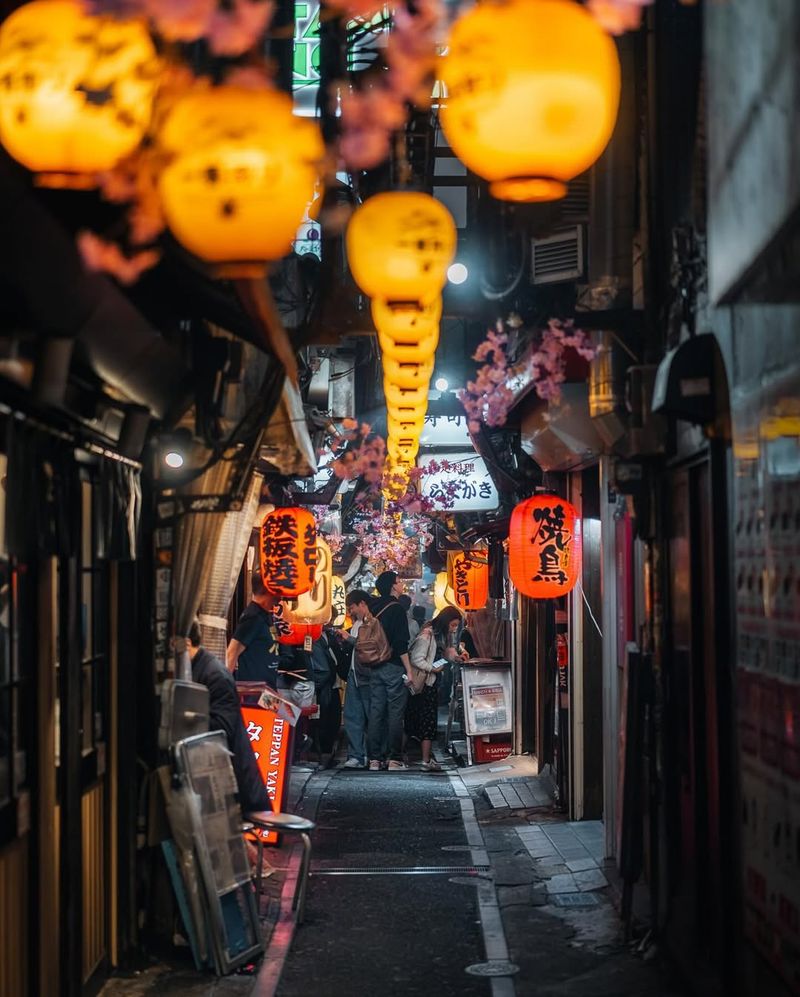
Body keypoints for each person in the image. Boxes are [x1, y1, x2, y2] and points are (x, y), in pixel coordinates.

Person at [187, 621, 270, 814]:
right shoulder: (198, 668)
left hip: (233, 782)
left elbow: (222, 730)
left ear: (186, 642)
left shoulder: (215, 674)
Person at [350, 573, 413, 771]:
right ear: (393, 586)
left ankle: (374, 760)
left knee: (376, 712)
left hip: (374, 666)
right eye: (399, 582)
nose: (402, 585)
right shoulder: (397, 609)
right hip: (393, 666)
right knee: (395, 713)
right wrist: (409, 671)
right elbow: (401, 644)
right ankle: (394, 759)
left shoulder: (373, 608)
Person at [405, 614, 447, 771]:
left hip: (428, 684)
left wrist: (454, 657)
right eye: (453, 625)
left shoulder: (438, 636)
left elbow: (445, 654)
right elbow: (416, 659)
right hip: (424, 685)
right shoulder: (427, 636)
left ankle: (404, 757)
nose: (454, 628)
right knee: (425, 723)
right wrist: (433, 669)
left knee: (414, 722)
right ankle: (424, 760)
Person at [226, 572, 281, 686]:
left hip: (267, 689)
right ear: (268, 588)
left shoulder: (266, 615)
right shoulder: (252, 616)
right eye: (278, 585)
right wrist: (224, 687)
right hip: (252, 692)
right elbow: (232, 653)